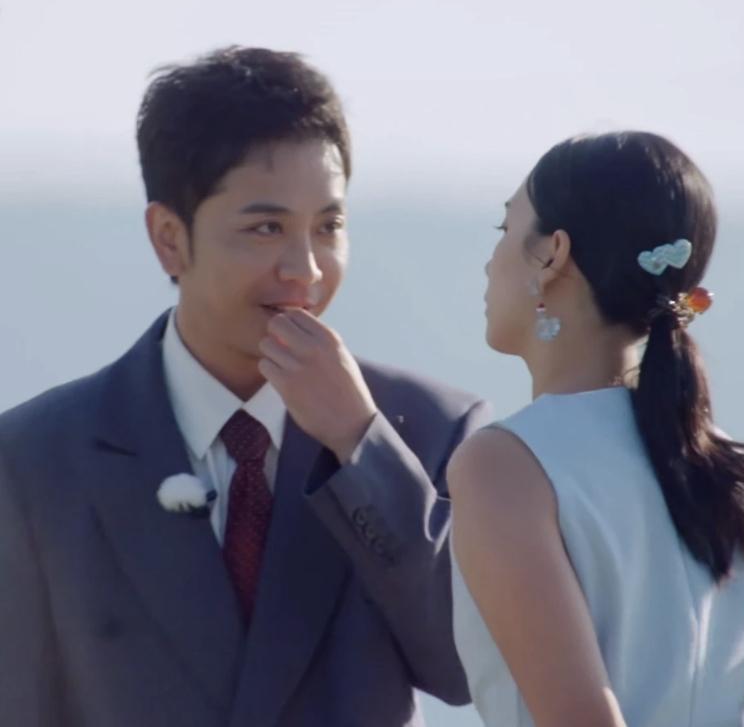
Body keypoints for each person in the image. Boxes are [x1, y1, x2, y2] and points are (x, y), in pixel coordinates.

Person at [0, 46, 491, 727]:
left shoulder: (430, 428)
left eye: (329, 227)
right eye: (266, 228)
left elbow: (467, 668)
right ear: (169, 238)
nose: (306, 270)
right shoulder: (35, 457)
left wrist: (360, 445)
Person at [448, 132, 744, 727]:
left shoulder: (504, 465)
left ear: (553, 254)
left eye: (504, 229)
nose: (490, 260)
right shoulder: (742, 481)